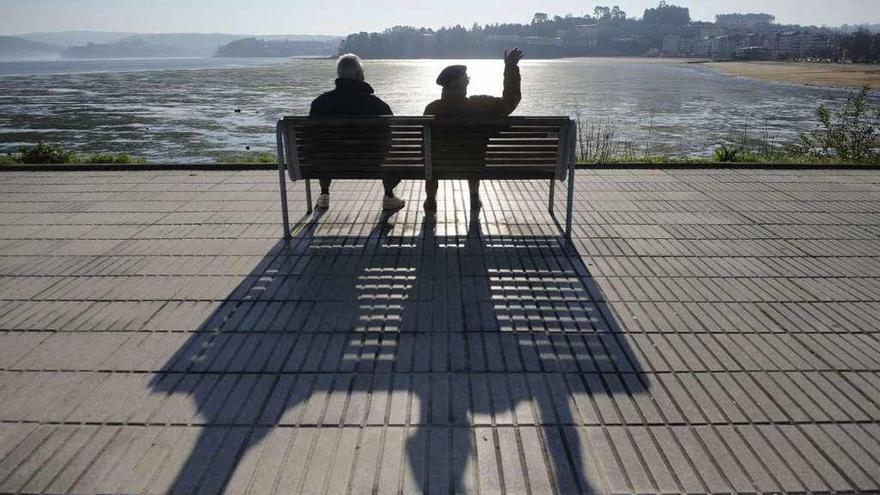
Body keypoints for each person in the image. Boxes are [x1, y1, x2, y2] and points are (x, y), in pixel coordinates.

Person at [422, 48, 524, 214]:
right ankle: (474, 197)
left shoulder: (432, 109)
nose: (468, 81)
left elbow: (424, 147)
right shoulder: (479, 105)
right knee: (473, 155)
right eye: (466, 79)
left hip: (439, 166)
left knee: (432, 160)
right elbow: (510, 101)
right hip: (473, 164)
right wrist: (511, 67)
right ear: (457, 84)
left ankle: (431, 200)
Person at [309, 53, 405, 211]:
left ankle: (324, 194)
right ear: (360, 76)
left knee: (323, 148)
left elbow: (312, 140)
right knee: (392, 150)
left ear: (339, 76)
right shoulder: (378, 106)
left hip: (330, 163)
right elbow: (391, 139)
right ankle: (389, 195)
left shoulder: (320, 104)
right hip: (371, 163)